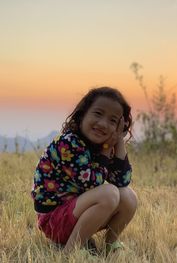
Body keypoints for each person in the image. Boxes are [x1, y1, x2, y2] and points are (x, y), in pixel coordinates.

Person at [31, 87, 138, 254]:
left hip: (76, 213)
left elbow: (122, 181)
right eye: (98, 113)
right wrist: (105, 152)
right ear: (82, 114)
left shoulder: (102, 145)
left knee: (128, 196)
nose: (103, 124)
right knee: (109, 193)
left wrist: (119, 142)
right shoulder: (69, 143)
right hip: (54, 220)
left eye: (113, 121)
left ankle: (110, 245)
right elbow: (91, 184)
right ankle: (71, 252)